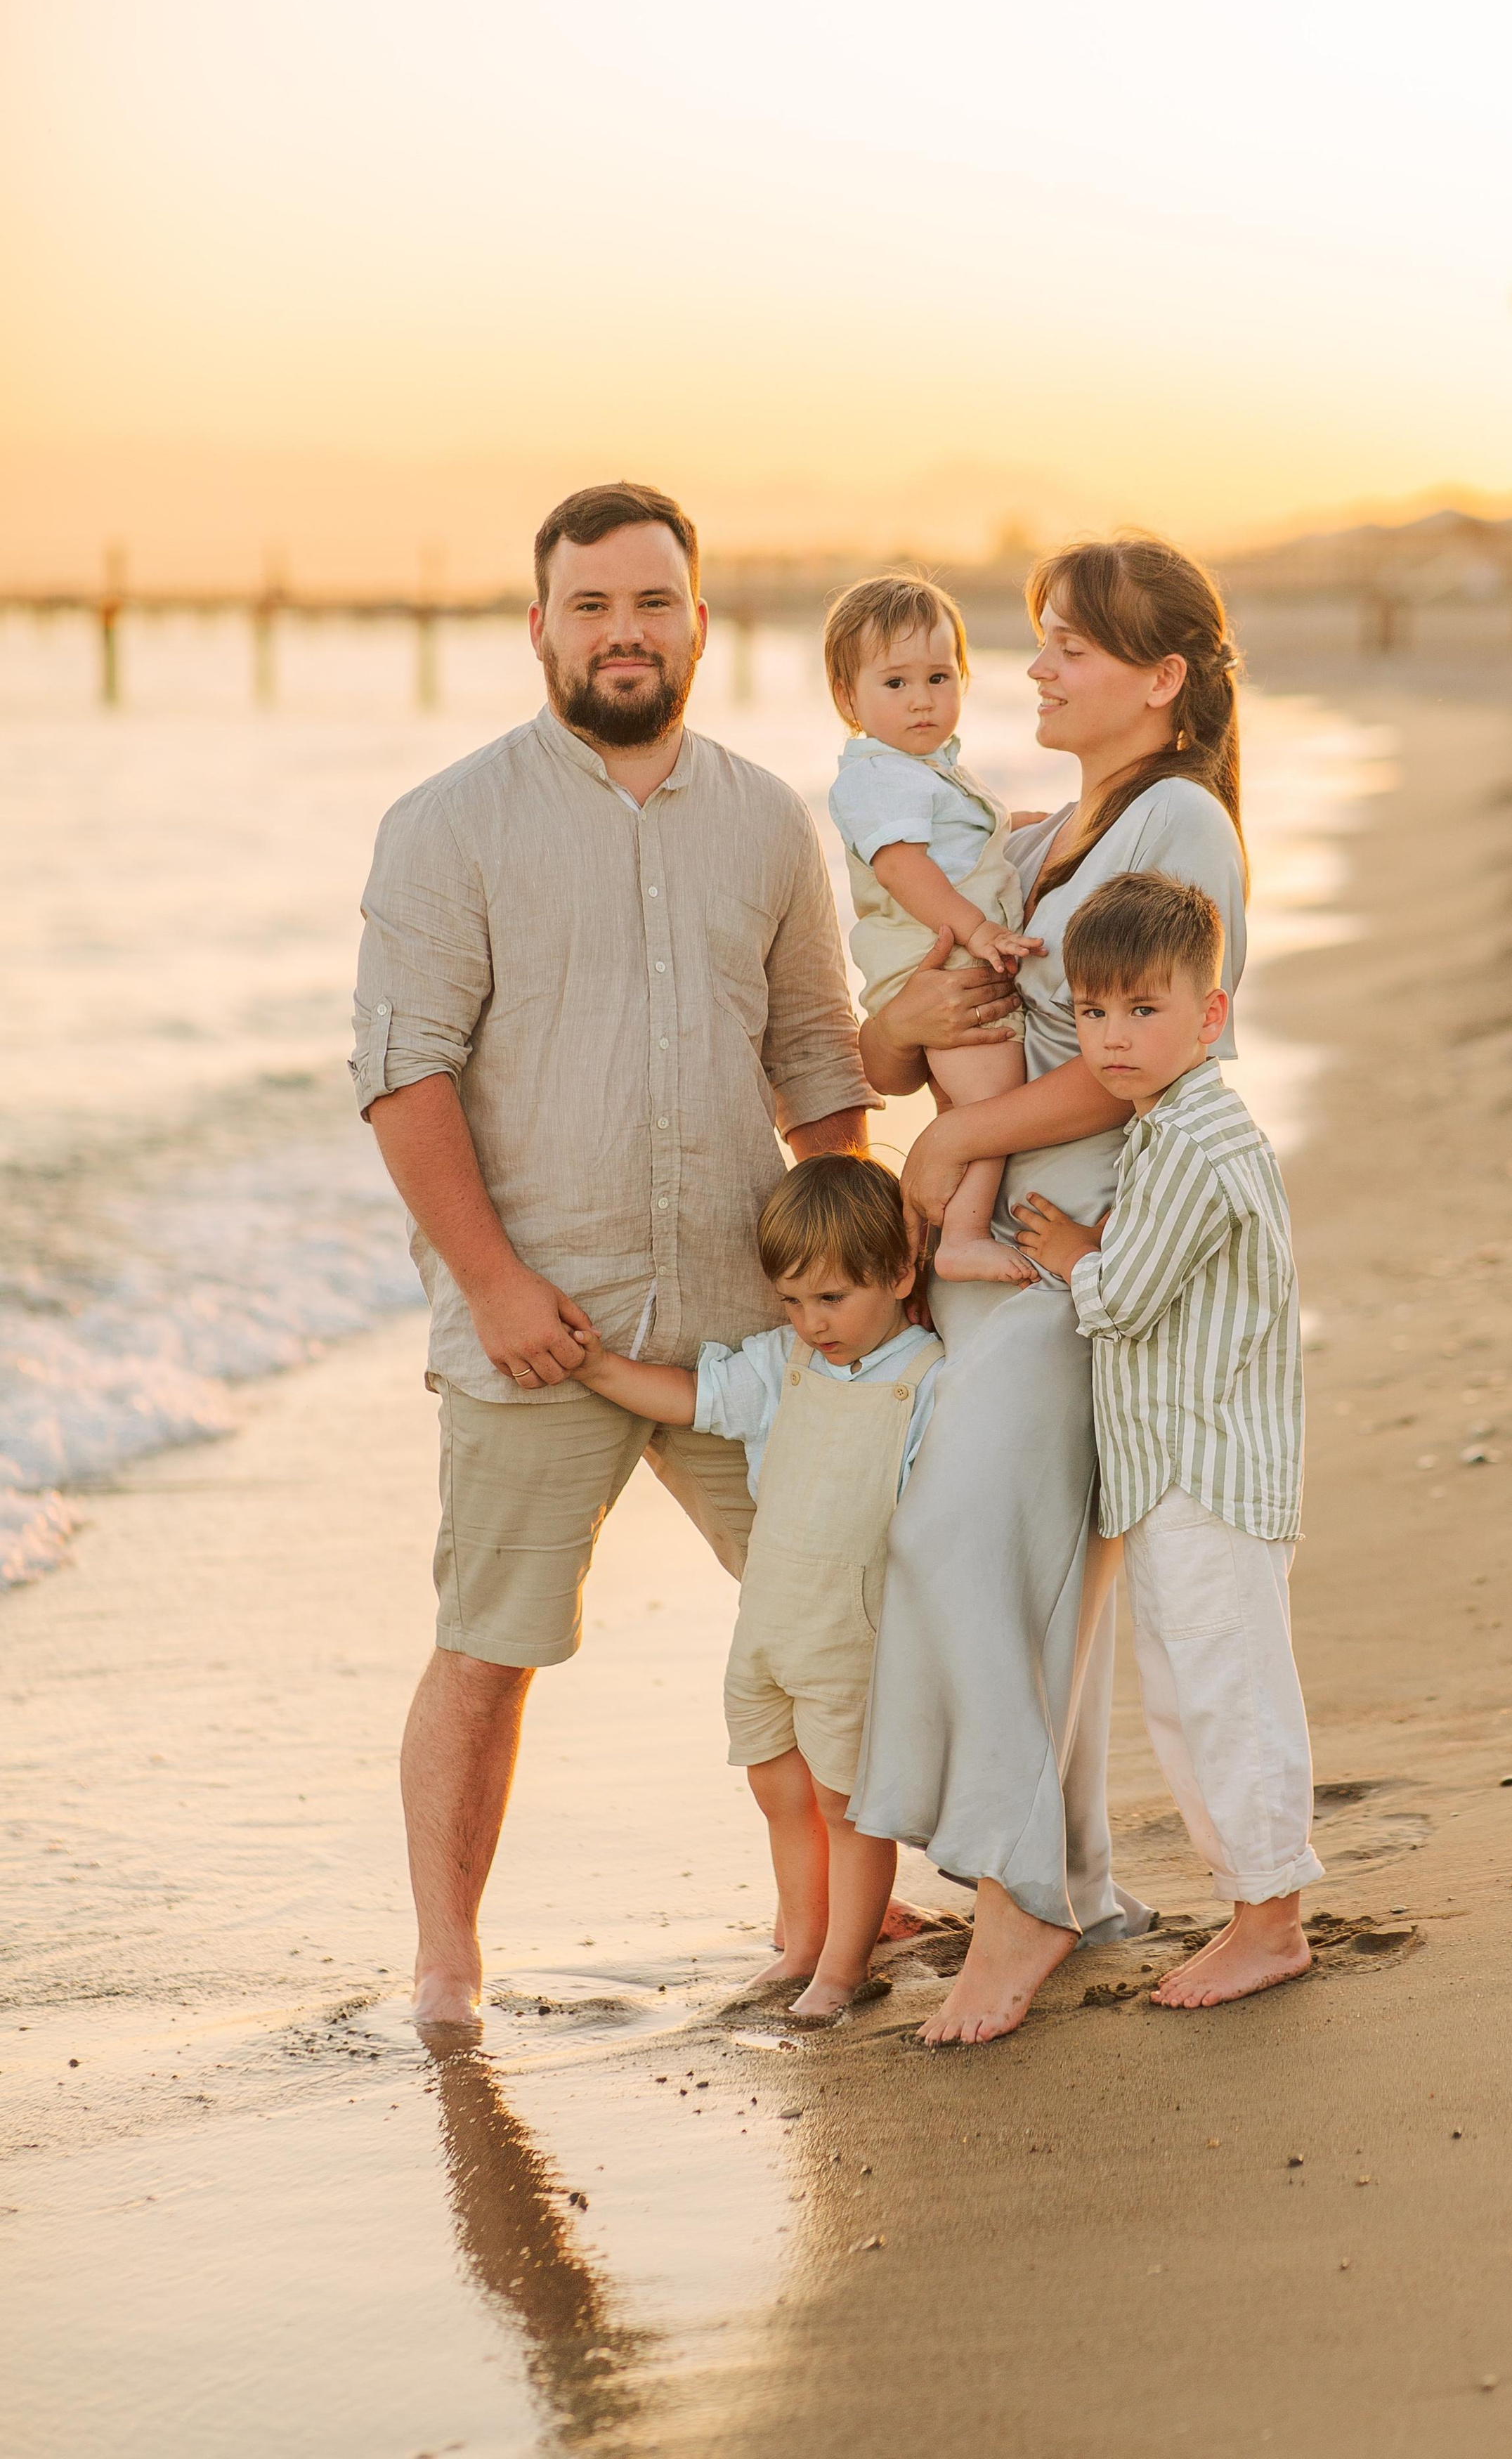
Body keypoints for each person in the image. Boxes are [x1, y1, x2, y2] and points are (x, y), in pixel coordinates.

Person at [350, 480, 876, 2027]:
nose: (623, 633)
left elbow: (817, 1065)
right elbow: (405, 1074)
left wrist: (844, 1300)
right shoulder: (447, 827)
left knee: (832, 1609)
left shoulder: (769, 821)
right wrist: (494, 1285)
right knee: (488, 1650)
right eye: (591, 606)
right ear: (539, 629)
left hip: (746, 1321)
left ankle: (849, 1898)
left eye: (651, 603)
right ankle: (448, 1965)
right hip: (537, 1318)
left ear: (699, 625)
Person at [850, 533, 1252, 2045]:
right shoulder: (1041, 839)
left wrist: (951, 1129)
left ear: (1158, 679)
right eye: (1034, 640)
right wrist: (906, 1036)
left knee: (955, 1541)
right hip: (993, 1258)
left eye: (1067, 646)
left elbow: (1131, 1063)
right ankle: (1068, 1873)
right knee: (1024, 1579)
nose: (1031, 669)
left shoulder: (1178, 828)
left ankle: (1016, 1906)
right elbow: (882, 1046)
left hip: (1077, 1263)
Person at [1012, 870, 1319, 2008]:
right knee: (1188, 1691)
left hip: (1208, 1469)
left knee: (1227, 1690)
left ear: (1211, 1014)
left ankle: (1272, 1917)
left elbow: (1126, 1299)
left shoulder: (1193, 1141)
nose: (1113, 1037)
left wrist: (1070, 1257)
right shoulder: (1167, 1126)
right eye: (1093, 1012)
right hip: (1177, 1469)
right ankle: (1252, 1897)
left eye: (1144, 1010)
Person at [570, 1156, 939, 2023]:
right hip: (768, 1624)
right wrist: (594, 1369)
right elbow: (693, 1400)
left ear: (897, 1274)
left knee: (848, 1805)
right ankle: (801, 1946)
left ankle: (842, 1970)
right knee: (777, 1788)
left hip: (852, 1632)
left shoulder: (926, 1376)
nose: (812, 1322)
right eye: (792, 1301)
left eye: (832, 1299)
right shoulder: (784, 1364)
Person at [823, 574, 1043, 1283]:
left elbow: (963, 848)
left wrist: (1021, 830)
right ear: (847, 699)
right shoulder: (877, 778)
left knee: (967, 1102)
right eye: (894, 683)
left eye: (939, 676)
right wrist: (978, 930)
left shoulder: (928, 771)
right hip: (942, 966)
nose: (922, 698)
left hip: (949, 962)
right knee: (992, 1108)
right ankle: (964, 1238)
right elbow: (904, 871)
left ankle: (941, 1229)